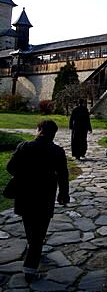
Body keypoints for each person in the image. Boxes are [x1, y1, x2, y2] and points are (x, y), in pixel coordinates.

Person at [6, 120, 70, 282]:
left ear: (39, 130)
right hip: (45, 195)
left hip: (25, 194)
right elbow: (63, 175)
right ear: (53, 133)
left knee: (30, 226)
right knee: (39, 232)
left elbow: (10, 167)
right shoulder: (57, 151)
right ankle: (30, 268)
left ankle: (33, 251)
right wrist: (64, 194)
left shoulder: (24, 146)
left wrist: (25, 174)